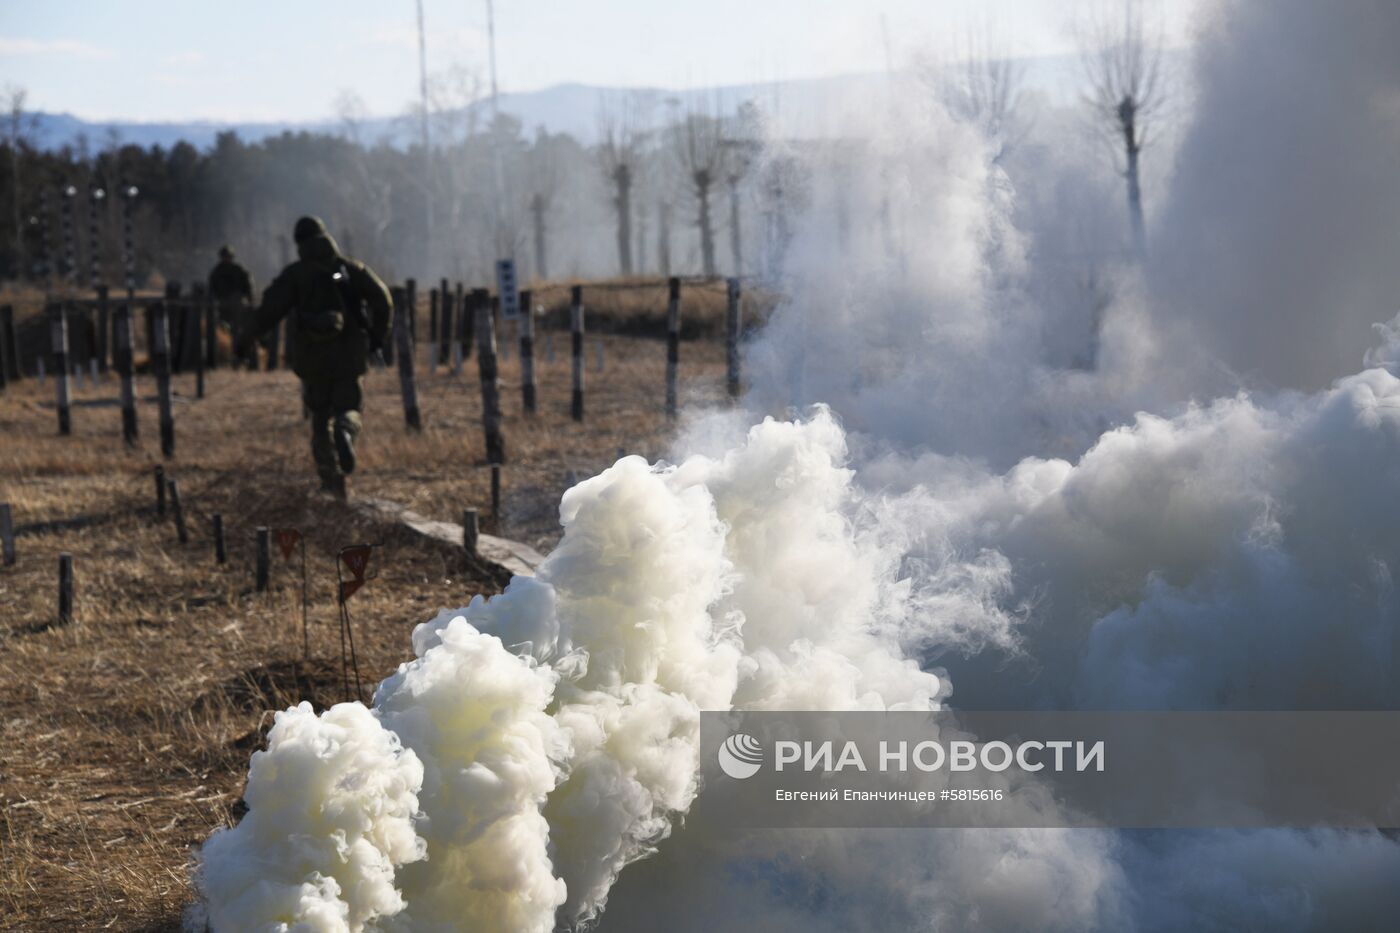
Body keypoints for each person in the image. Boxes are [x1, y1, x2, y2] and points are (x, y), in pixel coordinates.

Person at [238, 216, 392, 498]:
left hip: (312, 360)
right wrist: (377, 336)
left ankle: (330, 483)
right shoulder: (350, 268)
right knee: (349, 408)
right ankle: (346, 430)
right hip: (349, 357)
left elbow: (269, 312)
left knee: (320, 419)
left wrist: (244, 339)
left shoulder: (296, 274)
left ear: (299, 243)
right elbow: (383, 301)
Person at [207, 245, 257, 368]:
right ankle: (225, 358)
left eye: (228, 256)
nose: (226, 259)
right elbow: (211, 290)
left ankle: (239, 358)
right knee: (224, 330)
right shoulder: (216, 272)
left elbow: (248, 286)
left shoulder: (238, 270)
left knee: (238, 331)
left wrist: (250, 299)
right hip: (223, 309)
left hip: (237, 308)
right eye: (225, 256)